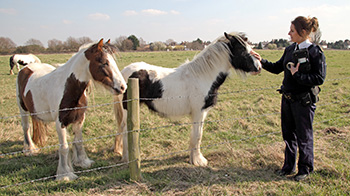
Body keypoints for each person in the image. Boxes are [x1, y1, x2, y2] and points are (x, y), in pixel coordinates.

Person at [251, 16, 326, 181]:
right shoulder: (289, 50)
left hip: (304, 102)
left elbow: (319, 78)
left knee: (304, 136)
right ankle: (288, 167)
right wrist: (261, 60)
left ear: (303, 32)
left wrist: (298, 75)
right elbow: (278, 67)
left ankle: (305, 169)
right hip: (287, 99)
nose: (289, 33)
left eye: (292, 30)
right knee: (288, 135)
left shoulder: (315, 52)